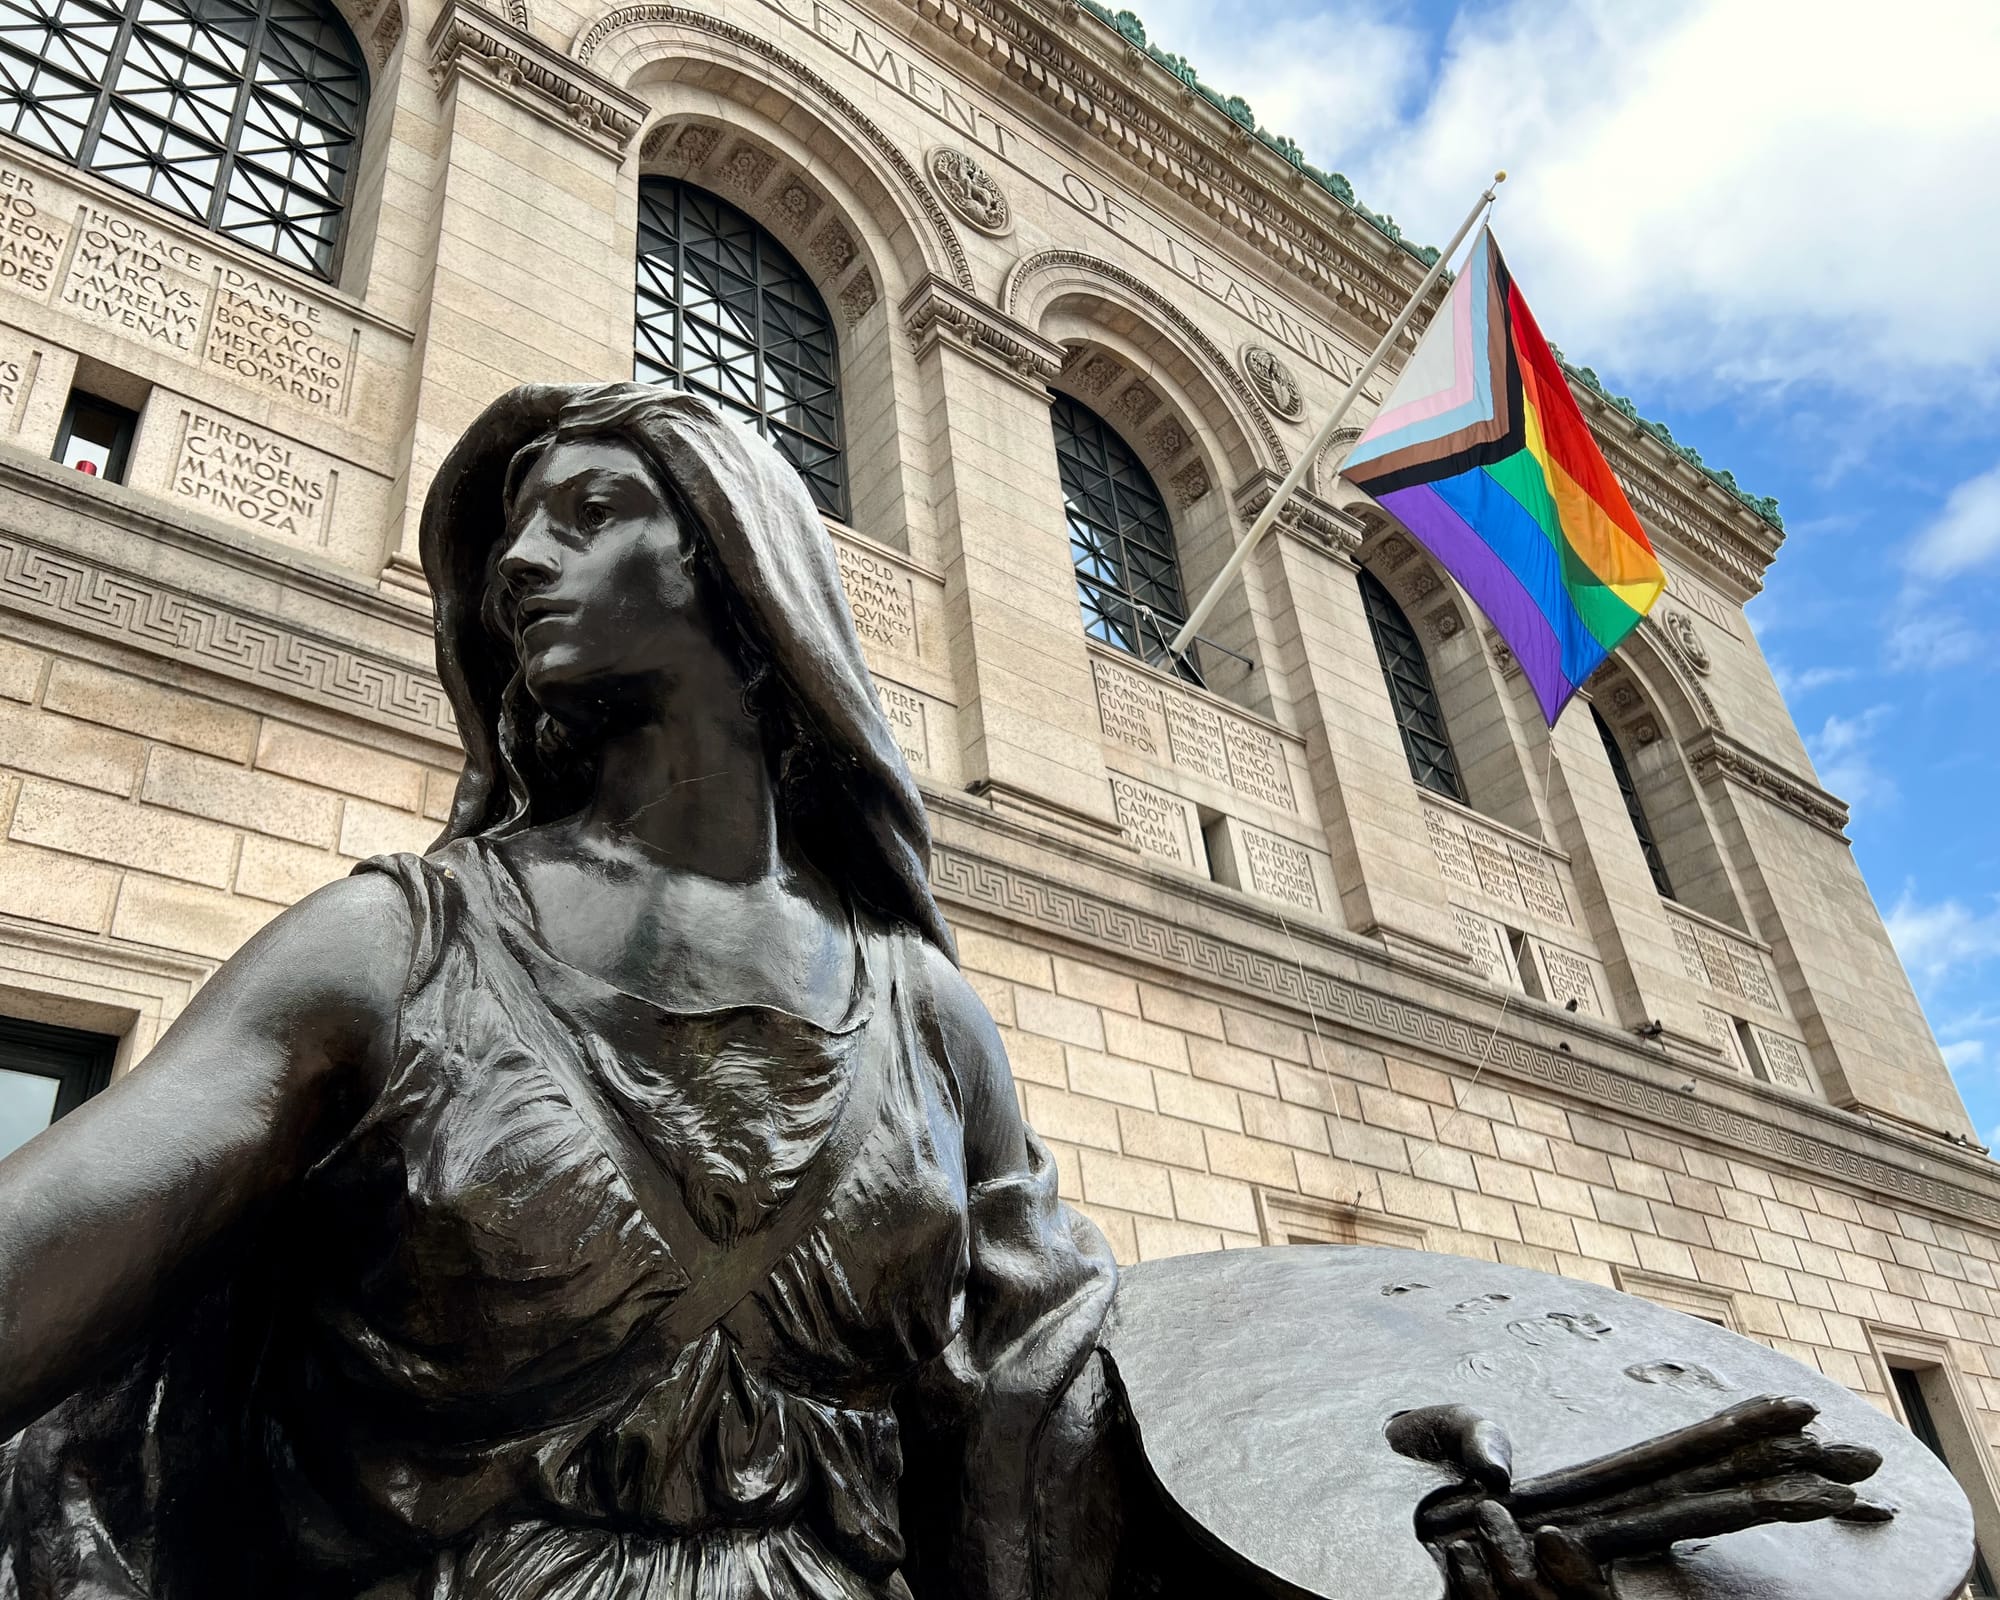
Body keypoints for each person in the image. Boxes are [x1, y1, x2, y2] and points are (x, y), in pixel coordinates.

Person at [0, 385, 1899, 1600]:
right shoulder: (389, 944)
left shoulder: (924, 1012)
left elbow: (1060, 1406)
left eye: (587, 512)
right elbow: (57, 1247)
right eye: (511, 530)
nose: (514, 562)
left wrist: (1402, 1524)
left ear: (745, 573)